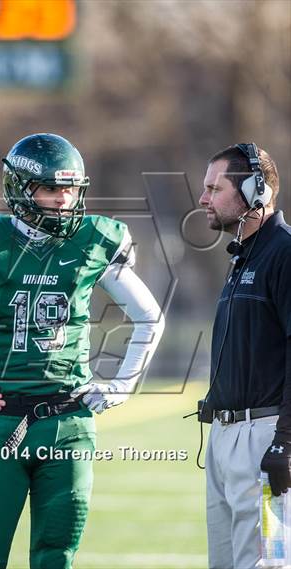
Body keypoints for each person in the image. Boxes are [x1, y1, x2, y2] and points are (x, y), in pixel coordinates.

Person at [0, 133, 165, 569]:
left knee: (56, 556)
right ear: (20, 189)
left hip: (68, 422)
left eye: (71, 188)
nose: (63, 199)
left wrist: (122, 384)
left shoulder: (94, 240)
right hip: (0, 420)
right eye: (51, 188)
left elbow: (150, 316)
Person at [198, 142, 291, 569]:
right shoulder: (244, 256)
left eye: (214, 188)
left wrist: (286, 441)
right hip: (226, 438)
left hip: (265, 436)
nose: (203, 199)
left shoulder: (285, 253)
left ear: (257, 191)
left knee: (262, 565)